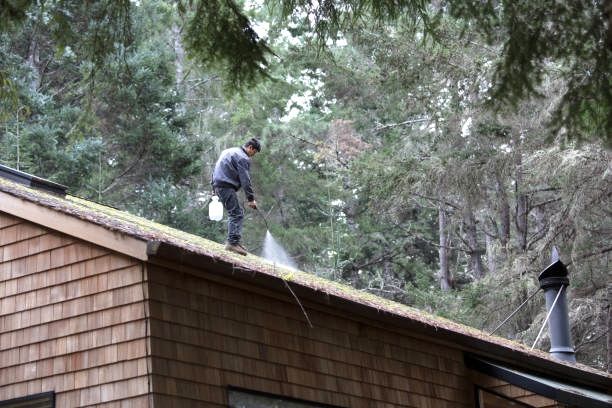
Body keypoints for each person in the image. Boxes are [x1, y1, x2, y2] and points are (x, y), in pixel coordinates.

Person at [211, 138, 261, 255]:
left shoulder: (229, 151)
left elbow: (216, 168)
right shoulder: (243, 158)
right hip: (225, 186)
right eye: (254, 152)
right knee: (236, 213)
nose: (253, 155)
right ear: (250, 148)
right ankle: (232, 243)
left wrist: (213, 187)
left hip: (219, 185)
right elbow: (245, 180)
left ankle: (235, 242)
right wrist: (251, 199)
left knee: (236, 212)